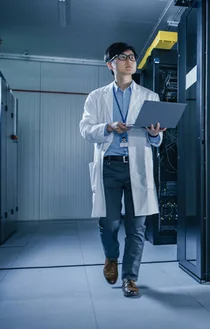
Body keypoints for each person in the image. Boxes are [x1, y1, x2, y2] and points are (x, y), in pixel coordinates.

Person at [79, 42, 166, 297]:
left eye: (132, 57)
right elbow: (85, 129)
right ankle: (111, 257)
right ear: (110, 64)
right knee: (109, 223)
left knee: (137, 227)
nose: (129, 60)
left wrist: (154, 134)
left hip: (137, 168)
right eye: (122, 57)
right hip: (109, 167)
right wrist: (108, 127)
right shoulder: (96, 97)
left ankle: (130, 278)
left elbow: (156, 139)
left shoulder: (150, 96)